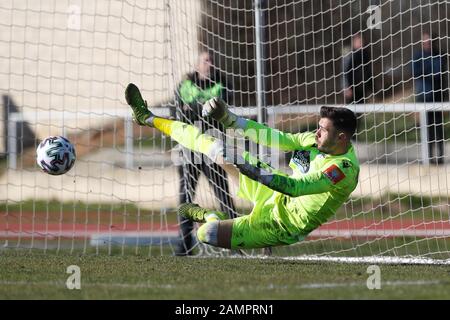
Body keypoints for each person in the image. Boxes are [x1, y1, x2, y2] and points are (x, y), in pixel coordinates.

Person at [125, 83, 359, 250]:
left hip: (281, 225)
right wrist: (230, 119)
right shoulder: (314, 140)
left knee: (207, 234)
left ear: (341, 138)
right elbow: (275, 136)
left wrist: (251, 169)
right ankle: (147, 118)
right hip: (271, 191)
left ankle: (211, 216)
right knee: (215, 146)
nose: (316, 132)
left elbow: (295, 188)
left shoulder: (344, 170)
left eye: (323, 130)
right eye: (318, 127)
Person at [172, 51, 238, 255]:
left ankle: (236, 239)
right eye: (205, 61)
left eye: (211, 61)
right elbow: (177, 112)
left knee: (224, 196)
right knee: (186, 198)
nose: (209, 64)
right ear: (197, 65)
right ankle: (185, 245)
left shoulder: (221, 84)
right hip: (189, 149)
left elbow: (220, 110)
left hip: (212, 149)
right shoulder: (185, 85)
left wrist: (193, 107)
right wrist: (198, 108)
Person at [412, 31, 448, 165]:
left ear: (433, 42)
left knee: (438, 127)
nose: (426, 43)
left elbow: (438, 72)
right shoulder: (417, 55)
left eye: (429, 41)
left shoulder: (440, 55)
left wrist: (424, 70)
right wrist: (427, 70)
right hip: (423, 97)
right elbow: (415, 72)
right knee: (426, 128)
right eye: (424, 41)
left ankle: (440, 157)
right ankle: (427, 157)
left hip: (437, 97)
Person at [343, 33, 373, 104]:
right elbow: (345, 71)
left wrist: (371, 86)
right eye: (358, 41)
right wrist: (346, 87)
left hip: (362, 87)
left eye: (361, 41)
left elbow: (368, 71)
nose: (361, 43)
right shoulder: (349, 55)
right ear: (354, 43)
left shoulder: (365, 54)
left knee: (361, 108)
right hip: (352, 87)